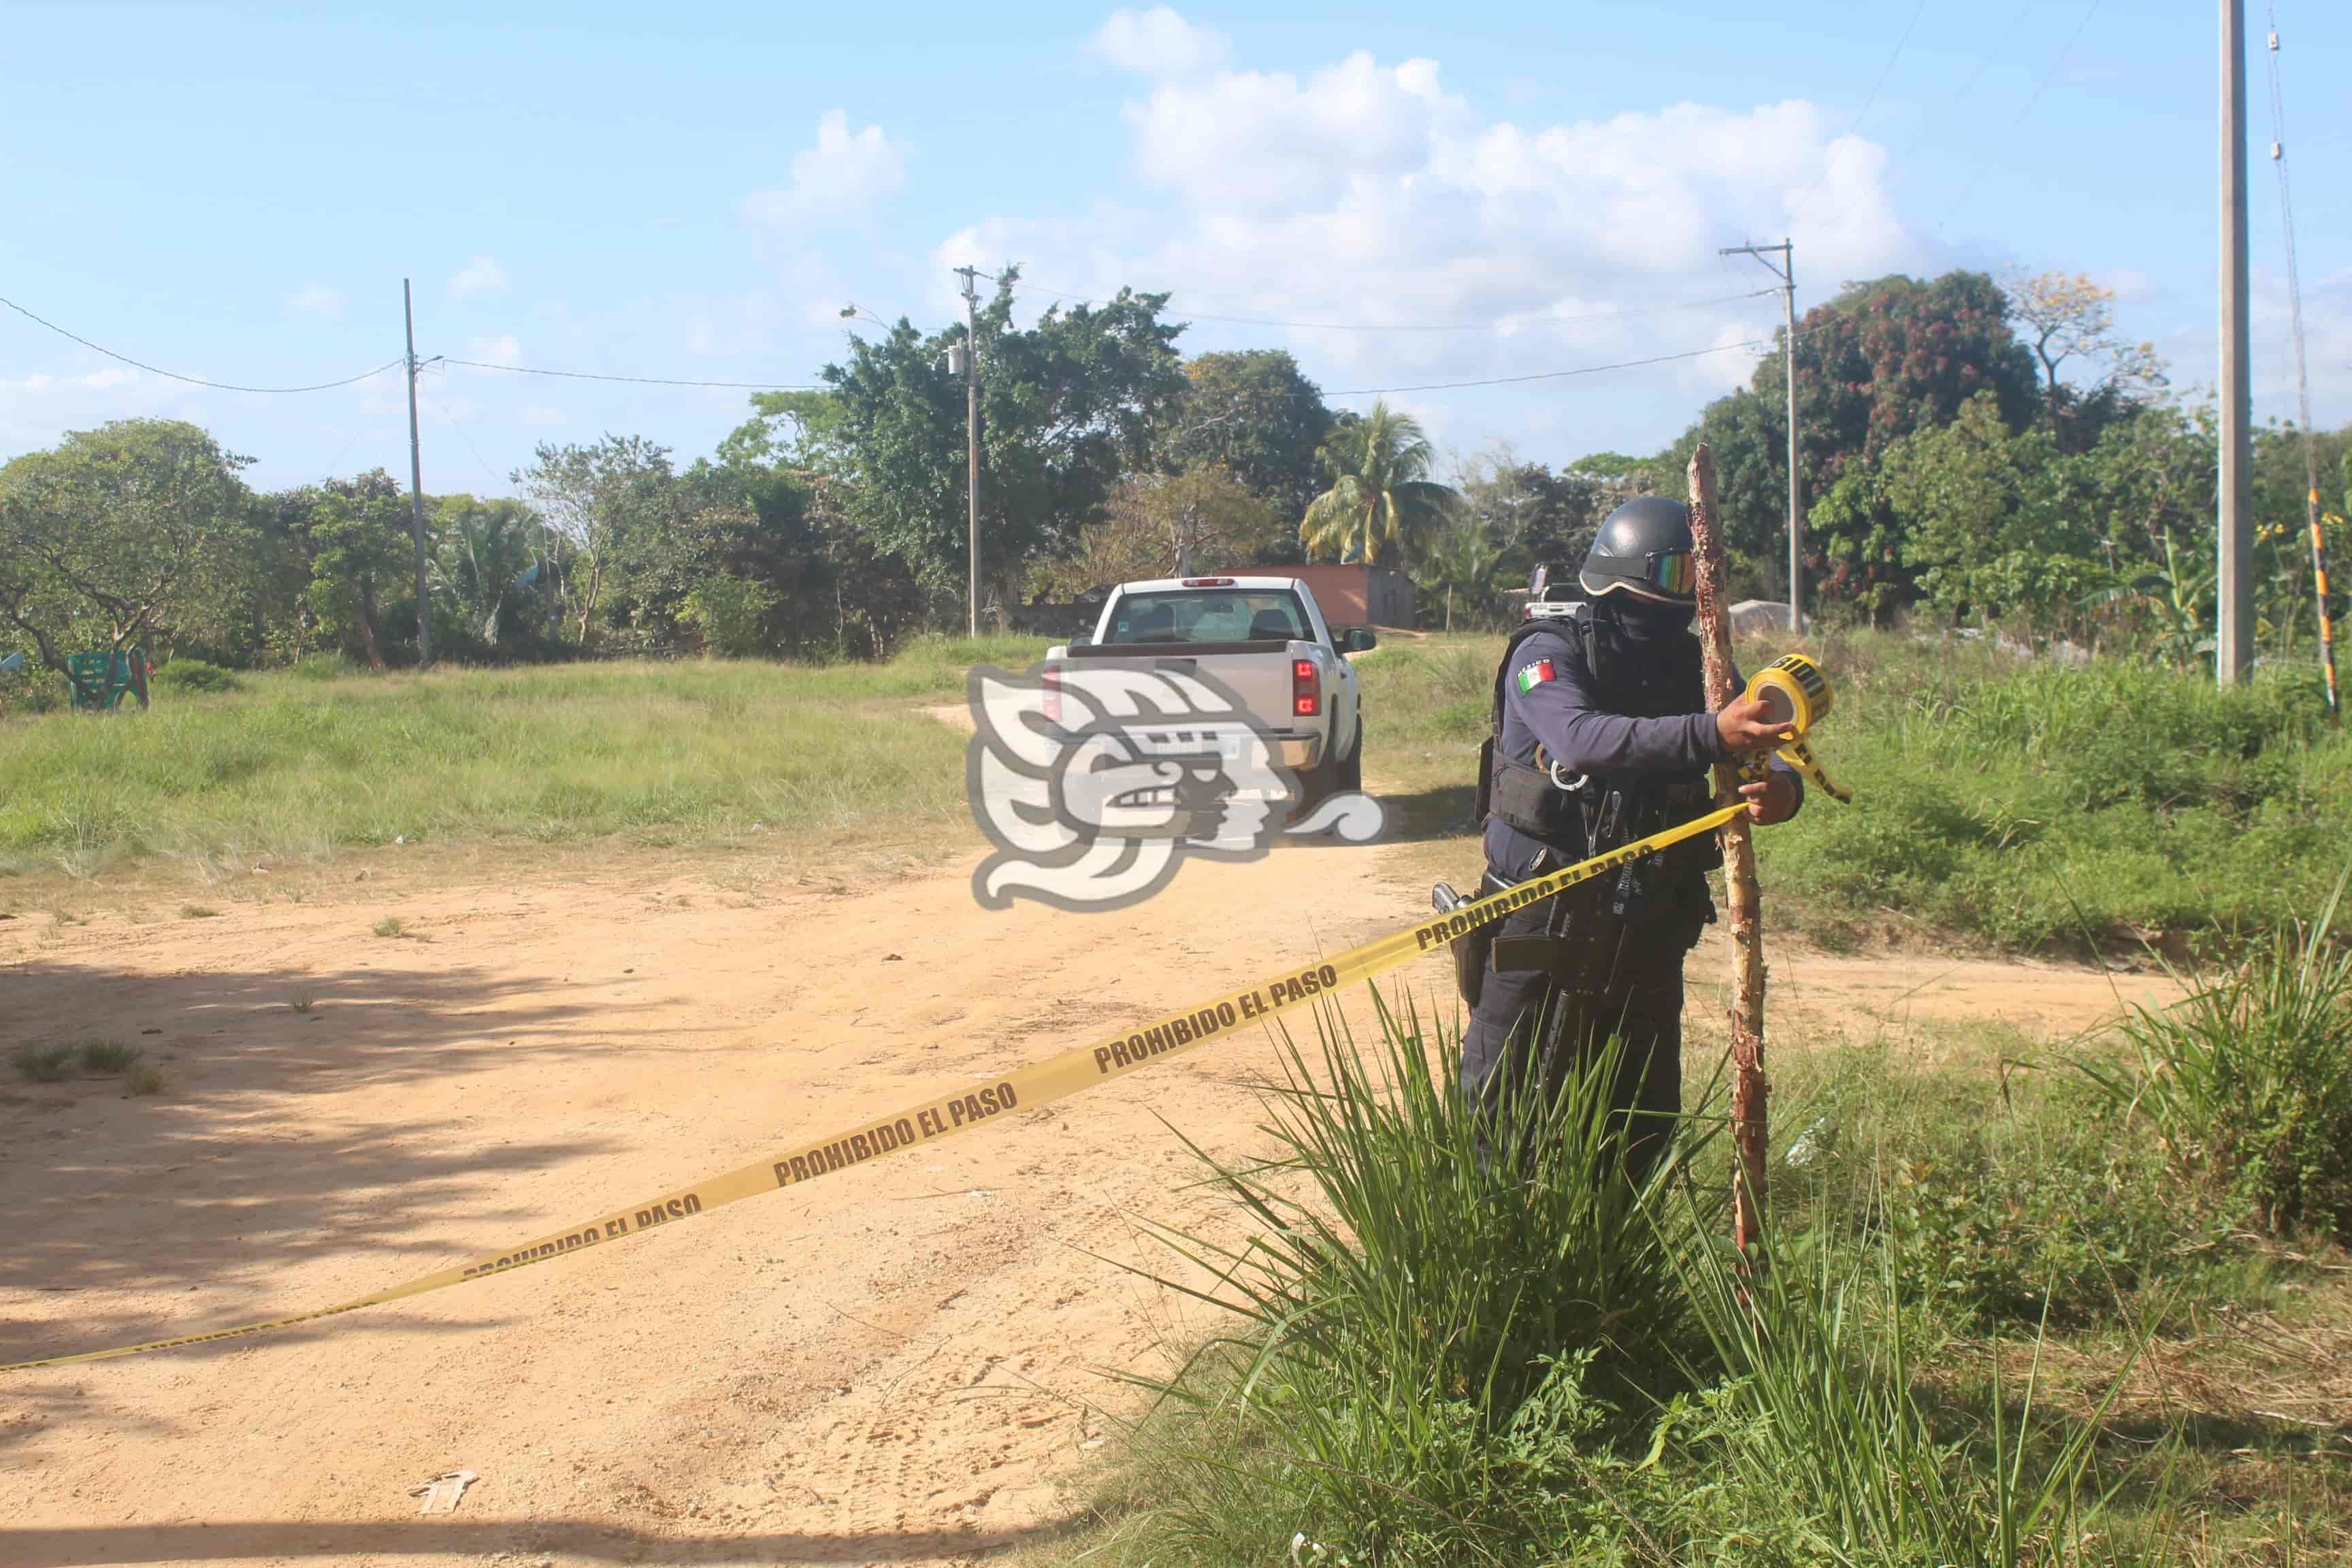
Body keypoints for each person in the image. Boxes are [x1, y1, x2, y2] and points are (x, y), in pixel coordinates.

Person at [1455, 497, 1800, 1177]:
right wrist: (1712, 734)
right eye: (1673, 576)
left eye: (1696, 580)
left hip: (1647, 927)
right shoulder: (1548, 651)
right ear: (1622, 577)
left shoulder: (1698, 667)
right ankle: (1490, 1258)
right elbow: (1581, 739)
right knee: (1504, 1114)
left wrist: (1780, 787)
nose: (1683, 597)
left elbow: (1757, 740)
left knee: (1639, 1121)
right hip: (1540, 920)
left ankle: (1612, 1261)